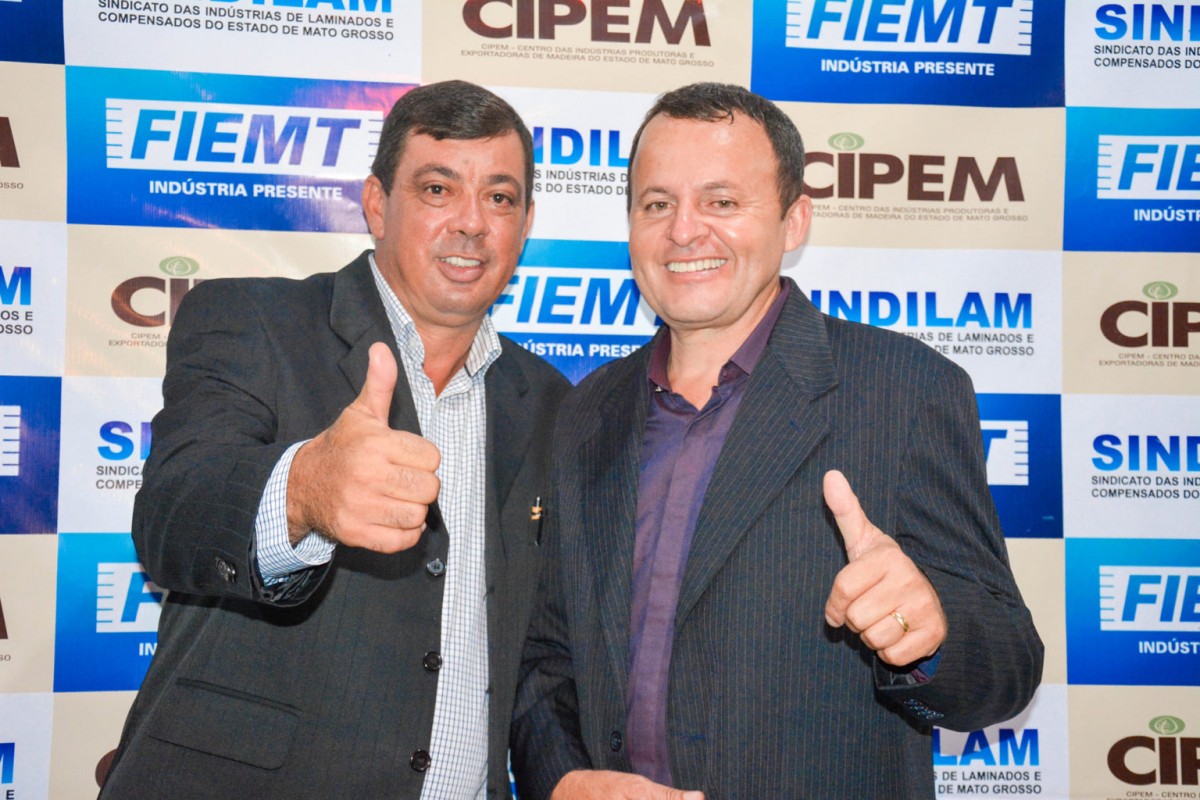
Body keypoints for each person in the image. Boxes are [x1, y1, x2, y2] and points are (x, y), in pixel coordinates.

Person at [510, 83, 1043, 799]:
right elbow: (547, 655)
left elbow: (1008, 666)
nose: (684, 231)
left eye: (722, 202)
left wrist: (932, 632)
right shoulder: (586, 412)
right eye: (657, 204)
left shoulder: (905, 391)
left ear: (794, 221)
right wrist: (564, 780)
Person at [100, 80, 570, 799]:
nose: (472, 223)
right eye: (438, 189)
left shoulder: (550, 403)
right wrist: (303, 491)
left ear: (526, 222)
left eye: (500, 198)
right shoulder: (253, 320)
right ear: (377, 204)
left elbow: (536, 647)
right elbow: (173, 515)